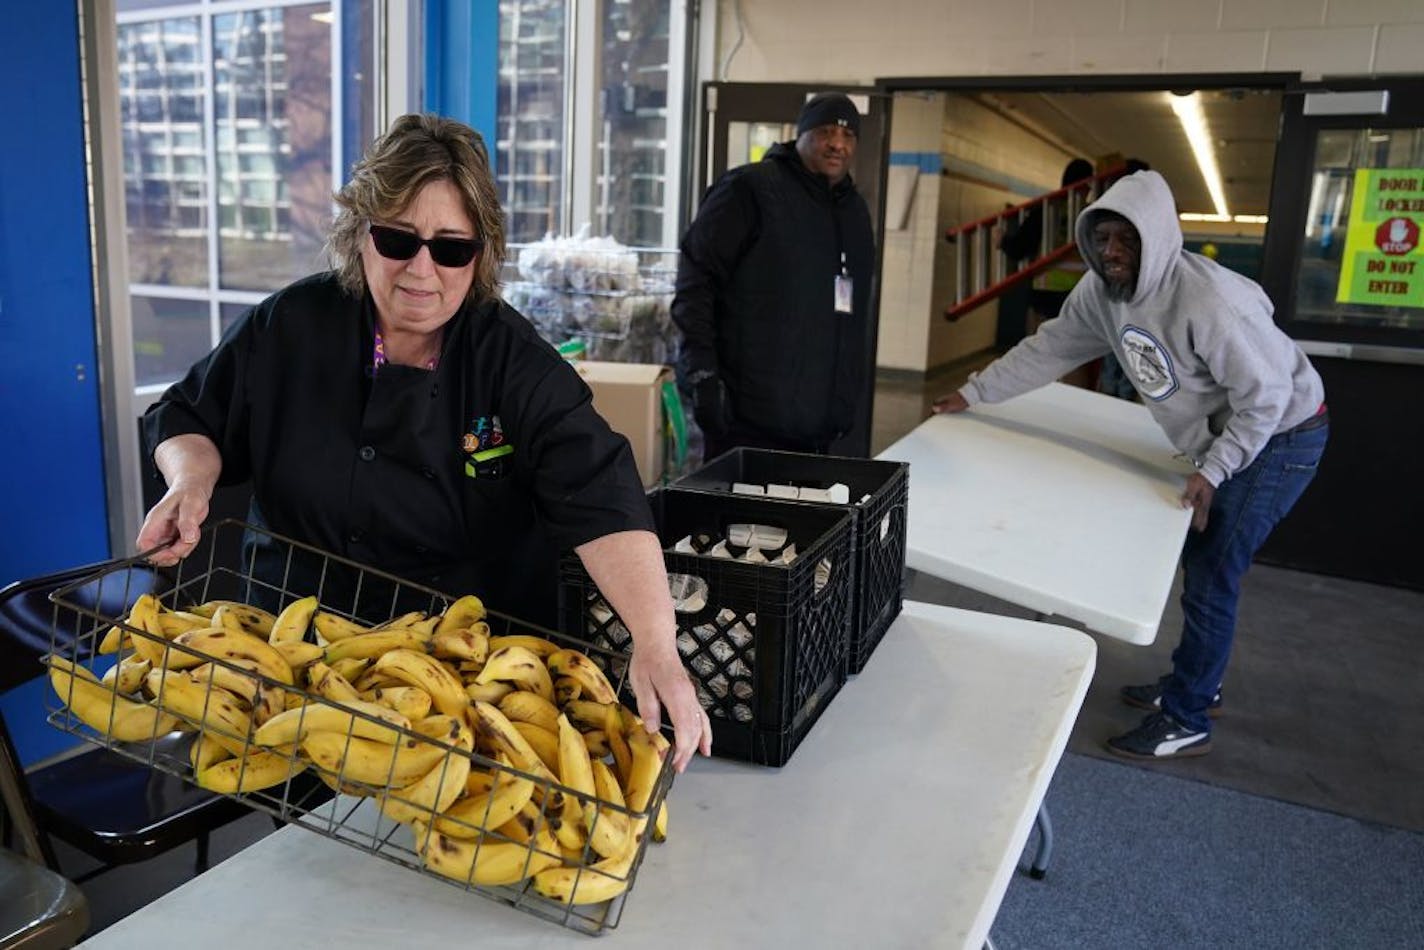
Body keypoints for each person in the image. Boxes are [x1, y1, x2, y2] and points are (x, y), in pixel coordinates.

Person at [135, 113, 712, 771]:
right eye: (397, 239)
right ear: (360, 235)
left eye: (451, 247)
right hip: (291, 667)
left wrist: (656, 640)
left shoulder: (512, 362)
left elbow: (601, 491)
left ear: (481, 253)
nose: (421, 269)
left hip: (460, 691)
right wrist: (190, 480)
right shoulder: (289, 327)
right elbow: (189, 416)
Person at [932, 170, 1328, 760]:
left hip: (1284, 437)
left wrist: (1214, 470)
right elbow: (1050, 347)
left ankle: (1189, 714)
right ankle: (1198, 679)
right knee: (1202, 563)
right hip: (1244, 431)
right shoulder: (1101, 294)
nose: (1113, 254)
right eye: (1105, 240)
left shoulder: (1209, 302)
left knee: (1213, 570)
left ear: (1160, 241)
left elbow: (1266, 398)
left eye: (1129, 241)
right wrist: (976, 392)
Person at [672, 92, 875, 461]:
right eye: (826, 132)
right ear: (801, 134)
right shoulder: (750, 189)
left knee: (808, 518)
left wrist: (844, 401)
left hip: (820, 424)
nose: (837, 144)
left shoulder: (853, 211)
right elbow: (695, 283)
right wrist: (701, 374)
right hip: (747, 419)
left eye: (848, 136)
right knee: (742, 519)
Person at [995, 158, 1094, 352]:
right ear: (1087, 184)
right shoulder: (1091, 215)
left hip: (1046, 295)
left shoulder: (1047, 209)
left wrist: (1002, 241)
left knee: (1039, 354)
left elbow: (1019, 247)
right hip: (1080, 297)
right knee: (1072, 357)